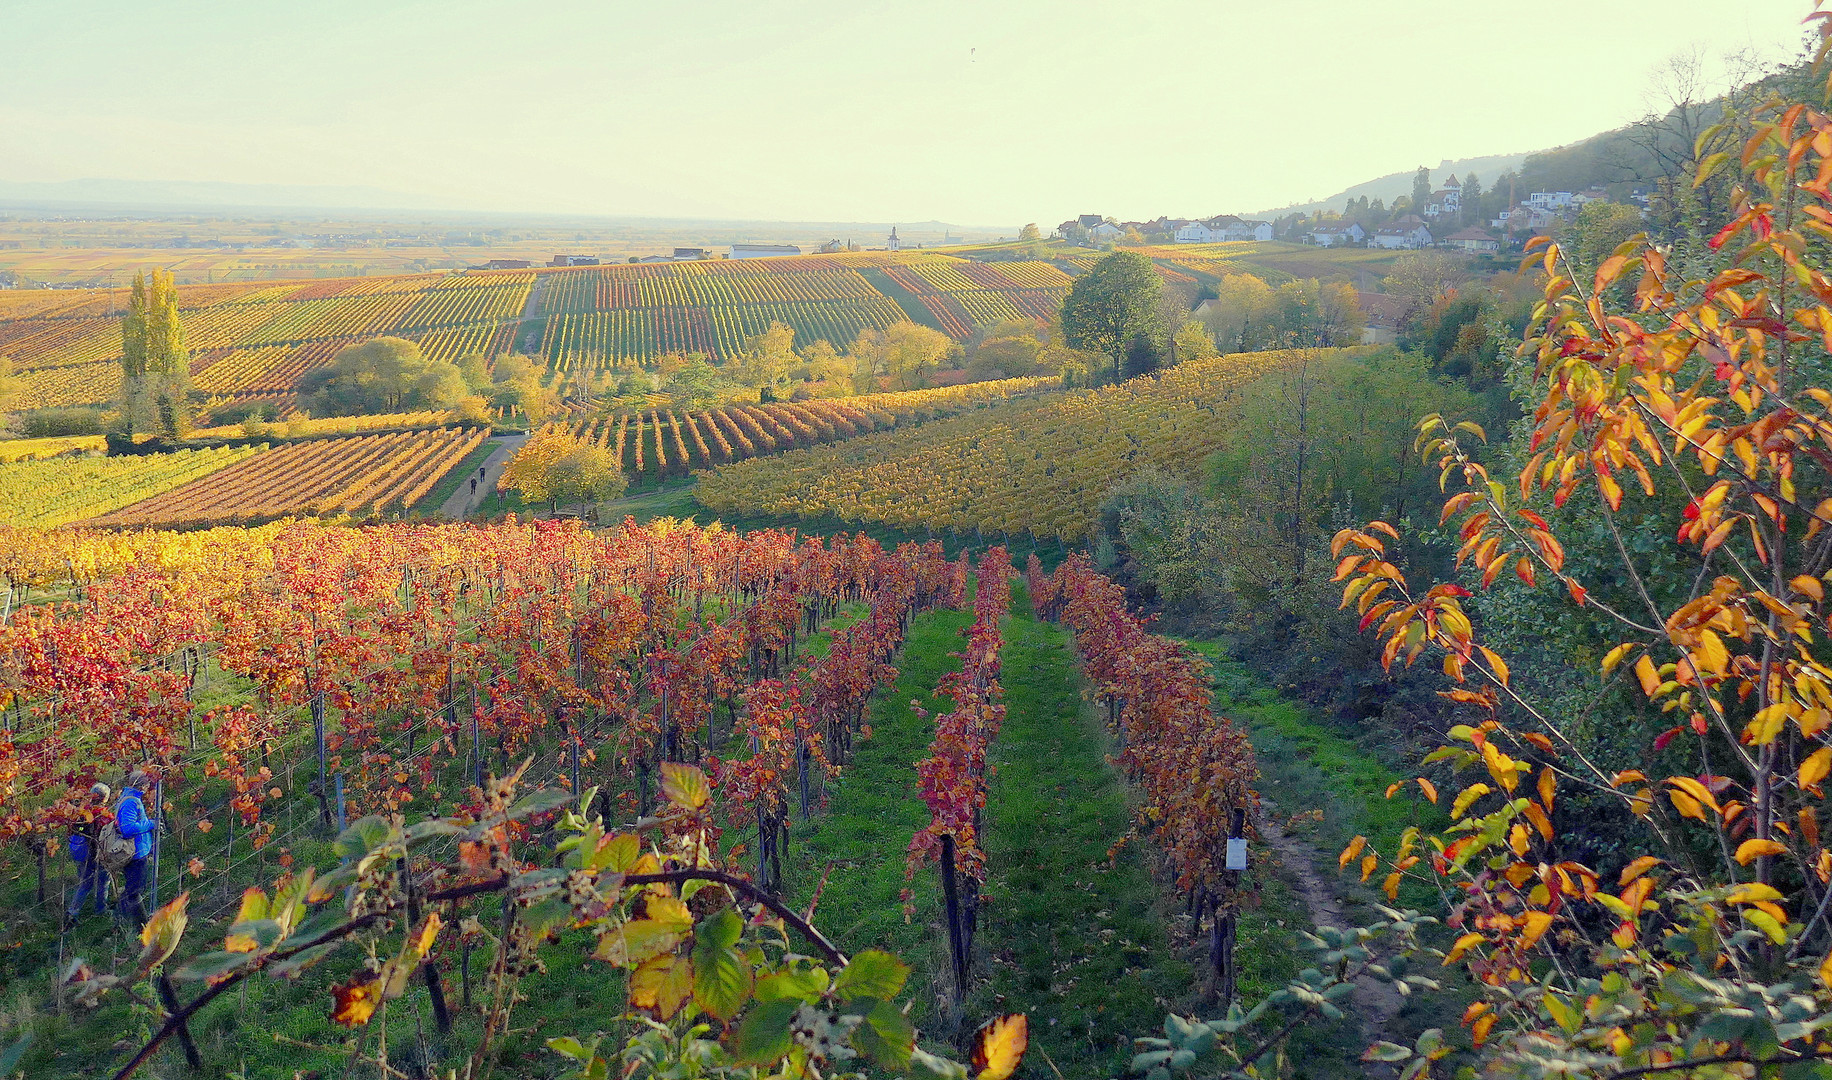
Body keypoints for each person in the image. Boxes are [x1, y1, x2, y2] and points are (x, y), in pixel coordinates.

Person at [114, 770, 157, 927]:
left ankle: (122, 919)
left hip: (137, 850)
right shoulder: (131, 802)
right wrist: (151, 823)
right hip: (136, 853)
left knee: (134, 887)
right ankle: (141, 926)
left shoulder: (128, 797)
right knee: (135, 890)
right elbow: (128, 828)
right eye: (146, 784)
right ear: (142, 785)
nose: (148, 788)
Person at [65, 783, 110, 926]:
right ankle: (101, 909)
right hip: (98, 854)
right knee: (104, 880)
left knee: (85, 883)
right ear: (105, 798)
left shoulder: (81, 812)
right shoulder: (105, 815)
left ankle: (72, 913)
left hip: (82, 853)